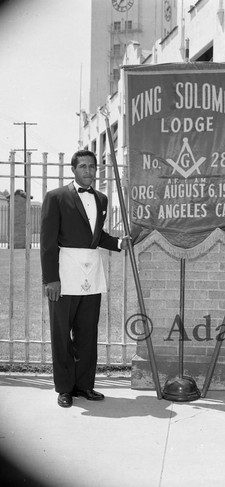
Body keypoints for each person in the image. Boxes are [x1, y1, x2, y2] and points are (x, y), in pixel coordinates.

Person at [40, 150, 135, 408]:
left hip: (91, 272)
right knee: (61, 333)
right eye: (83, 166)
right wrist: (51, 279)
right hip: (64, 272)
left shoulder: (102, 199)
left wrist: (118, 242)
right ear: (73, 169)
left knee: (87, 332)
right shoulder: (56, 197)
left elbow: (96, 235)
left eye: (92, 167)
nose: (88, 171)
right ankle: (64, 388)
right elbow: (47, 242)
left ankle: (84, 386)